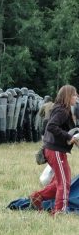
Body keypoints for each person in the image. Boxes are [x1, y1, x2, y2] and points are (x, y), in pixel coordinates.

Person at [30, 85, 78, 215]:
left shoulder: (62, 109)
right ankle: (59, 211)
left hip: (55, 150)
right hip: (55, 151)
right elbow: (51, 126)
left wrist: (72, 138)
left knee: (61, 180)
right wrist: (69, 137)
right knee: (64, 182)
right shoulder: (62, 110)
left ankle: (37, 197)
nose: (77, 97)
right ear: (68, 96)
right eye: (74, 94)